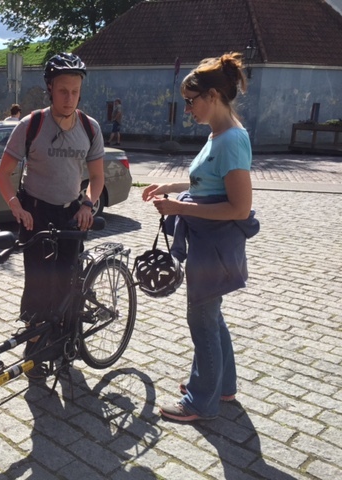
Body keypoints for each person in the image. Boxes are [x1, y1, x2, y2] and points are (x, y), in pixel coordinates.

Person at [142, 52, 259, 421]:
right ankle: (222, 386)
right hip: (210, 244)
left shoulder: (231, 140)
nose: (188, 109)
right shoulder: (219, 135)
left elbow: (239, 208)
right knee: (211, 314)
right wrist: (171, 187)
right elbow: (206, 183)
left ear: (212, 95)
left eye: (191, 101)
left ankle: (200, 400)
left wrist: (180, 209)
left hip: (215, 245)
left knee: (202, 318)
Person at [0, 52, 105, 379]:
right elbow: (3, 174)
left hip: (71, 212)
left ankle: (64, 341)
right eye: (62, 91)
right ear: (50, 89)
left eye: (75, 91)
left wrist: (88, 204)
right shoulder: (31, 125)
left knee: (68, 281)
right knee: (38, 283)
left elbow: (97, 177)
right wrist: (15, 207)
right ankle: (34, 351)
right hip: (36, 213)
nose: (69, 98)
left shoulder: (90, 127)